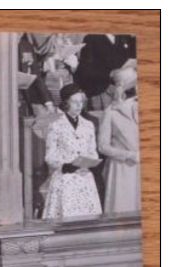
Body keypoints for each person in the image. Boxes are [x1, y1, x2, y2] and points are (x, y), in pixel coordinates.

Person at [42, 84, 102, 220]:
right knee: (66, 219)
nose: (79, 105)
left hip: (85, 179)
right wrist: (64, 166)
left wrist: (90, 162)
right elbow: (50, 156)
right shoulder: (55, 125)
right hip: (65, 179)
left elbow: (93, 152)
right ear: (65, 103)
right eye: (75, 102)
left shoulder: (88, 125)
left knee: (87, 220)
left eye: (81, 102)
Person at [98, 68, 140, 214]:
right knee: (124, 210)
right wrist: (129, 155)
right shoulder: (111, 112)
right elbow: (103, 146)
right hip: (122, 169)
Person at [74, 34, 136, 110]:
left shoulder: (124, 37)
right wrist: (109, 74)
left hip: (127, 90)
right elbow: (84, 70)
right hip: (101, 91)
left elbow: (132, 58)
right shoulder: (91, 38)